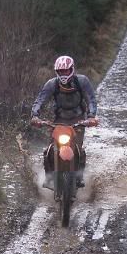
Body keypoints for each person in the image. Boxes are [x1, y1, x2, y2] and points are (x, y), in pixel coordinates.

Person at [30, 55, 98, 189]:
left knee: (79, 150)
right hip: (59, 121)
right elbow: (40, 100)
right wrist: (35, 116)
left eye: (66, 71)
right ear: (56, 72)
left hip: (78, 120)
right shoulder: (52, 84)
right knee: (49, 150)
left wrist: (91, 117)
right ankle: (49, 178)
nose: (63, 74)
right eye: (60, 71)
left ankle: (79, 177)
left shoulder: (82, 81)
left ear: (72, 69)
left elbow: (91, 99)